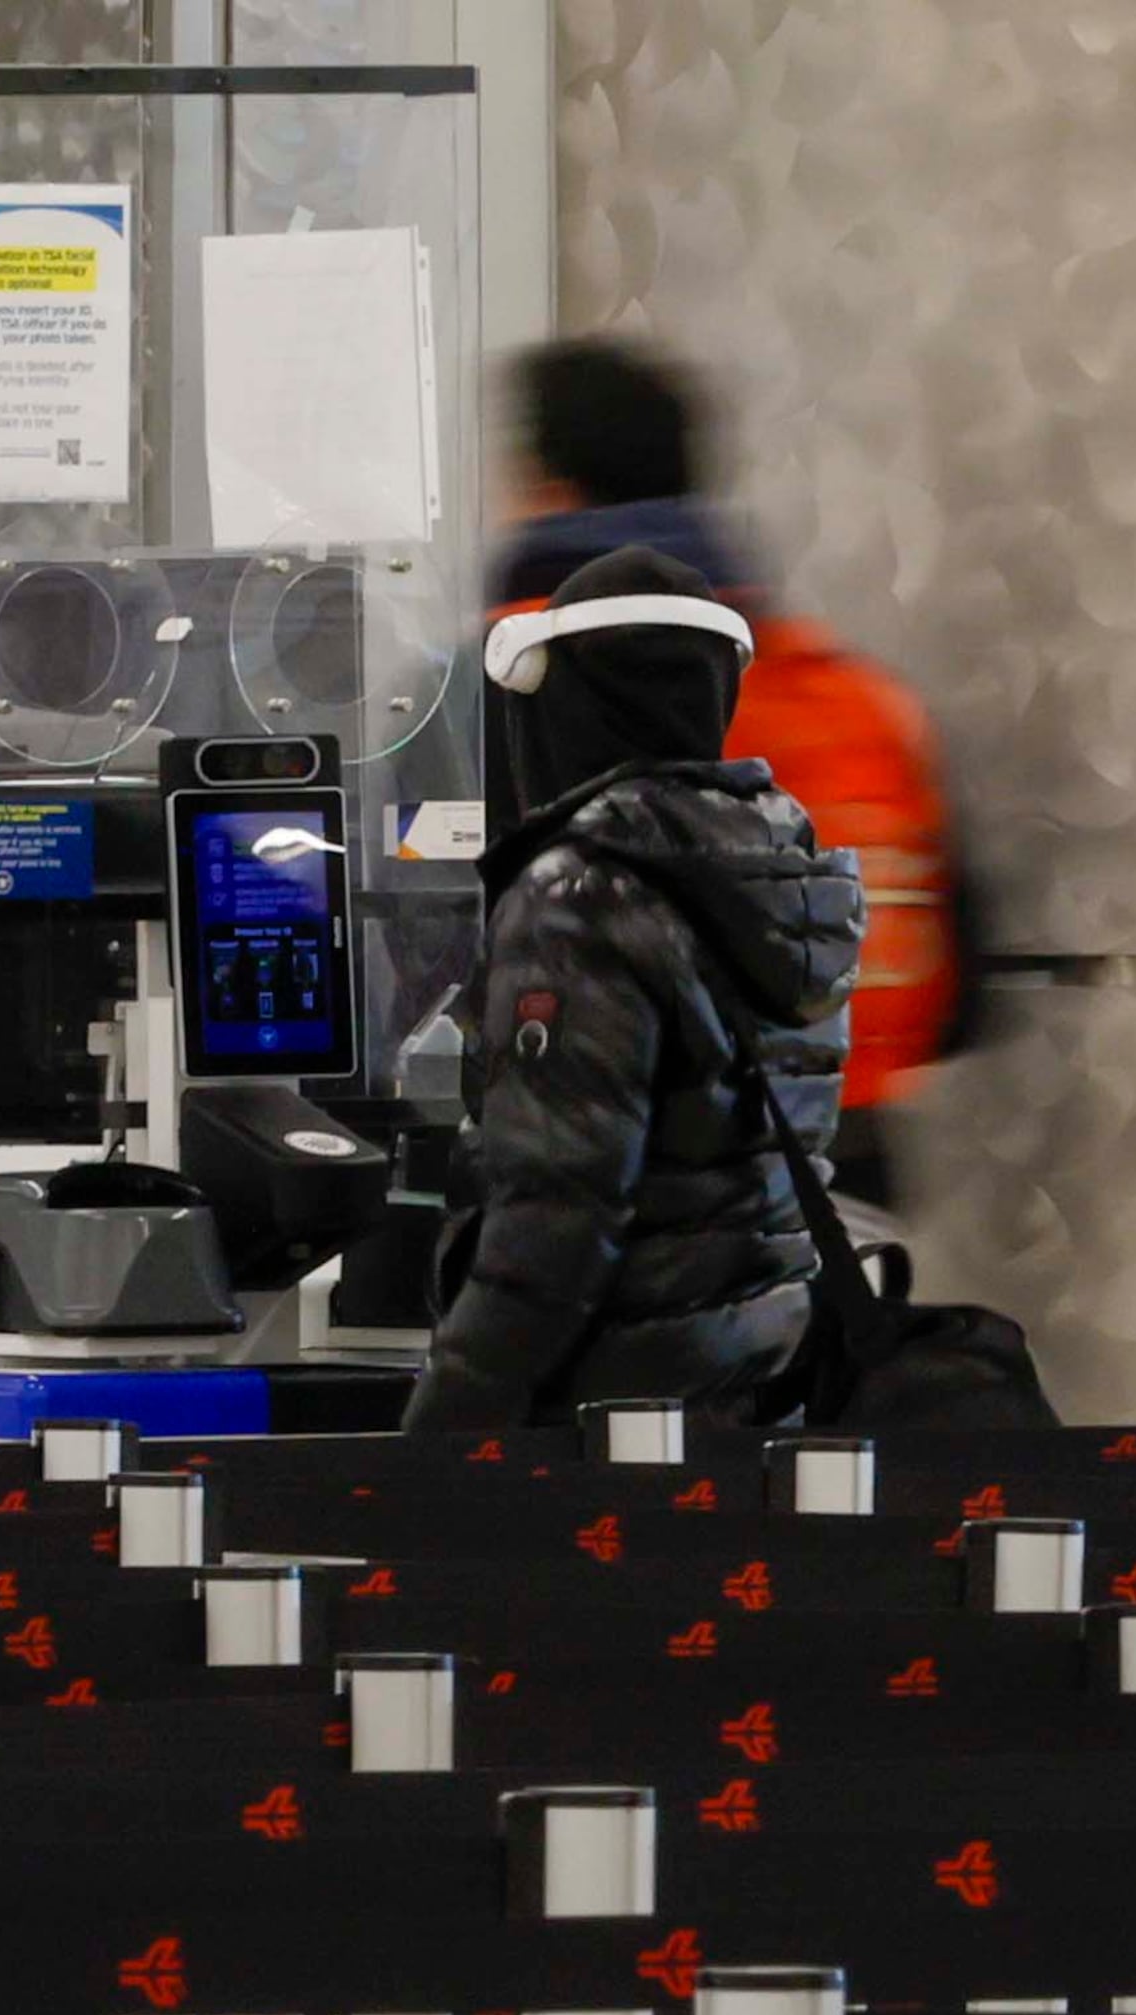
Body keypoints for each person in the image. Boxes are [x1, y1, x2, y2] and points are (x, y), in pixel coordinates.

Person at [403, 549, 863, 1434]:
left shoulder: (578, 894)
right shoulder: (780, 867)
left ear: (568, 699)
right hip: (759, 1380)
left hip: (610, 1411)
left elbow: (557, 1215)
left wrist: (449, 1419)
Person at [499, 338, 966, 1209]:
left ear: (547, 485)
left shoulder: (542, 684)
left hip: (649, 1196)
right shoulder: (852, 699)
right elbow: (957, 987)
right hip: (851, 1175)